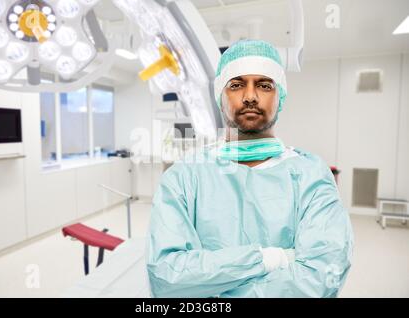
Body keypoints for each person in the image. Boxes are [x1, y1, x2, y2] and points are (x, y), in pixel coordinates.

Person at [146, 40, 353, 298]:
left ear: (281, 97)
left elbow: (321, 277)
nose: (251, 96)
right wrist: (272, 259)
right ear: (220, 97)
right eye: (236, 85)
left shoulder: (311, 175)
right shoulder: (184, 177)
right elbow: (167, 277)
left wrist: (210, 284)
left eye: (265, 85)